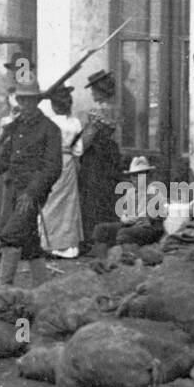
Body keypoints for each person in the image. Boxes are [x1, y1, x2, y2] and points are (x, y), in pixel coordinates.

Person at [0, 76, 61, 289]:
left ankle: (3, 289)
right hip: (12, 189)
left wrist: (32, 193)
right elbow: (5, 161)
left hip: (32, 192)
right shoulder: (15, 127)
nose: (25, 105)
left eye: (30, 100)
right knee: (29, 242)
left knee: (10, 235)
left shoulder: (50, 129)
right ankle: (43, 289)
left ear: (38, 101)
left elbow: (52, 168)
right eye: (22, 100)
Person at [76, 69, 123, 252]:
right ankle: (109, 238)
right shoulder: (116, 109)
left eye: (94, 89)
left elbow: (86, 142)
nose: (92, 93)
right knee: (109, 198)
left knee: (93, 199)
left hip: (96, 160)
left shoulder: (97, 113)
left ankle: (94, 241)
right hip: (112, 158)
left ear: (100, 90)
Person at [38, 83, 82, 259]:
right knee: (67, 204)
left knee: (49, 201)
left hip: (50, 162)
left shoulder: (47, 122)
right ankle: (67, 246)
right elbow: (78, 150)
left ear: (54, 105)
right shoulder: (75, 122)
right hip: (68, 162)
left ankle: (48, 243)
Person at [92, 155, 162, 257]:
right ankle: (101, 257)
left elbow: (161, 213)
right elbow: (124, 214)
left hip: (146, 228)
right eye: (134, 176)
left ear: (148, 176)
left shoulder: (155, 191)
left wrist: (148, 219)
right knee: (101, 228)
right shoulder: (130, 192)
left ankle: (128, 256)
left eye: (141, 175)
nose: (137, 179)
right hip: (131, 224)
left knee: (124, 233)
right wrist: (126, 219)